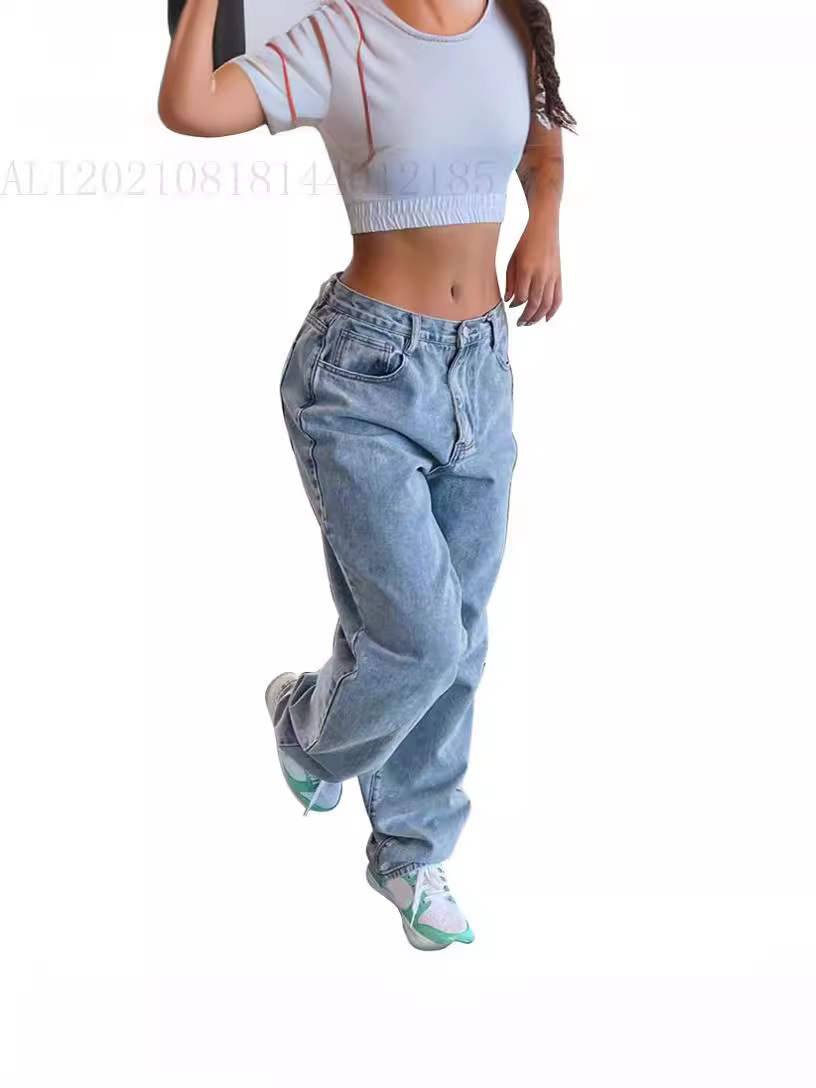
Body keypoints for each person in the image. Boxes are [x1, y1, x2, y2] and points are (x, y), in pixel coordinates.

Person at [158, 0, 574, 952]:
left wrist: (544, 223)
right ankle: (308, 728)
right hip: (362, 378)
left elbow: (542, 140)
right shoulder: (338, 31)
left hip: (482, 369)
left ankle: (411, 852)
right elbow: (190, 108)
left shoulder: (513, 22)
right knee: (421, 640)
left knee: (460, 640)